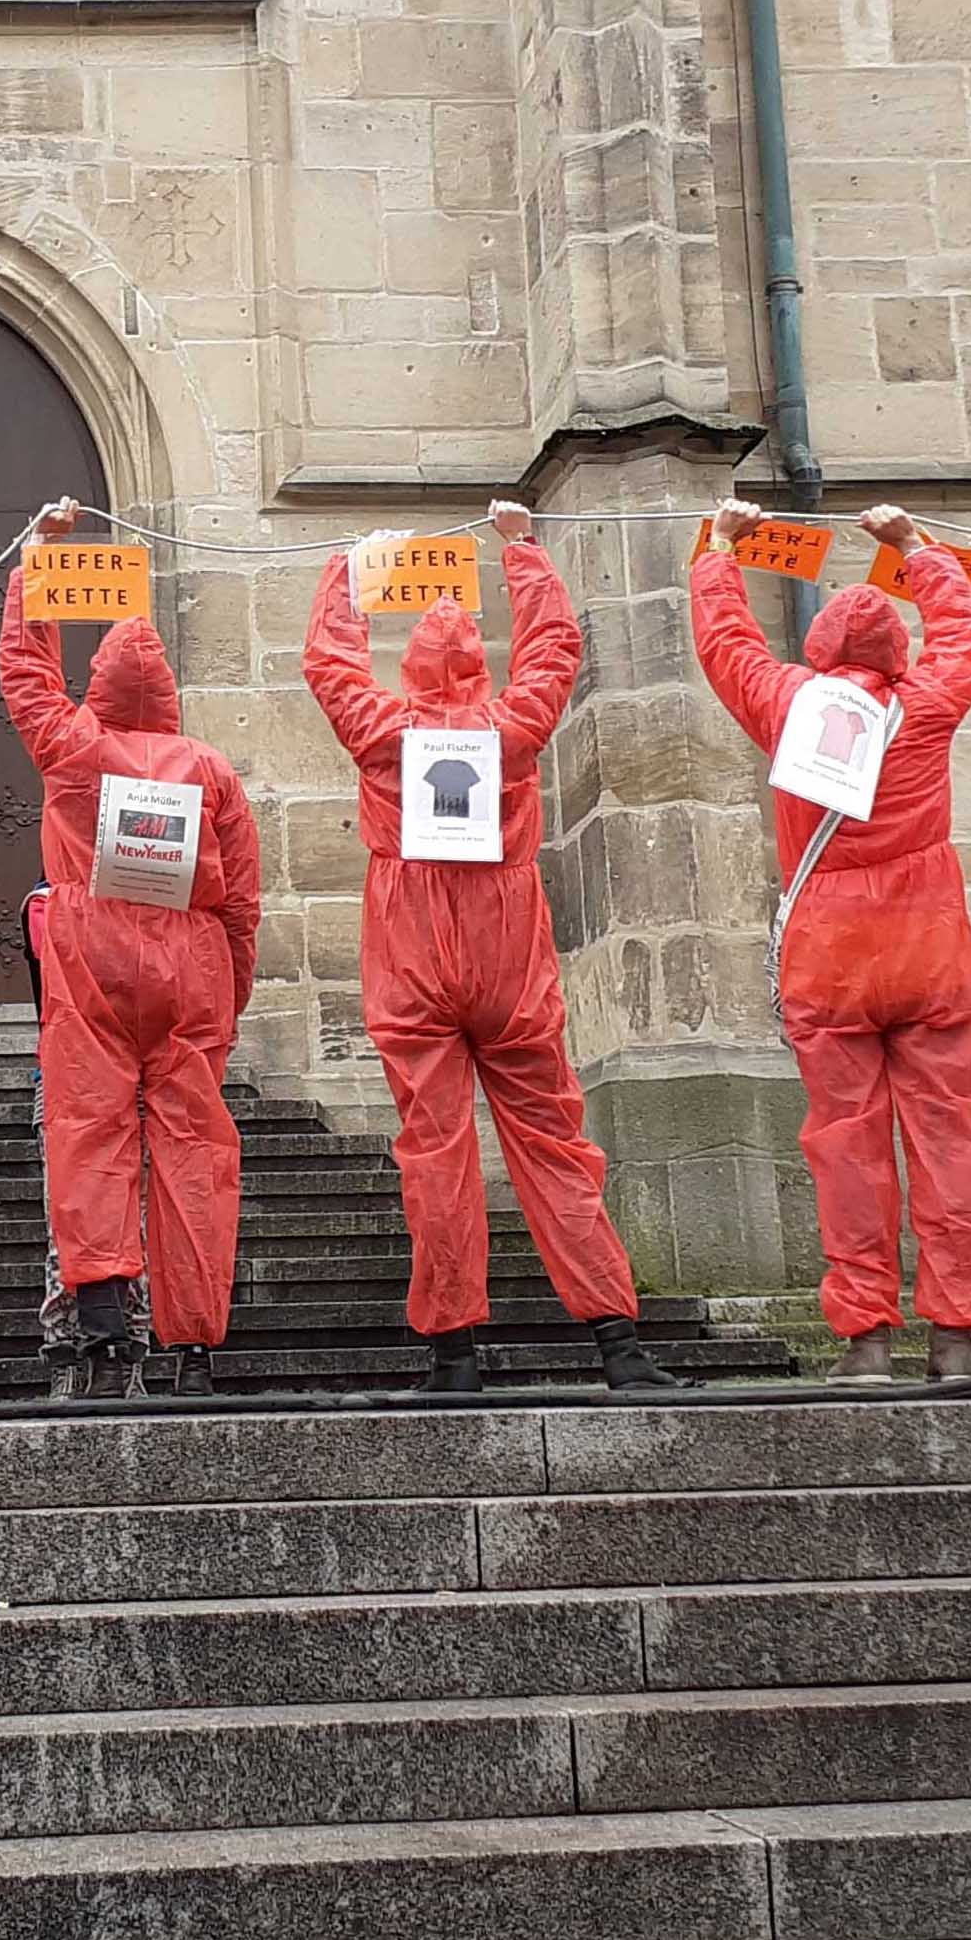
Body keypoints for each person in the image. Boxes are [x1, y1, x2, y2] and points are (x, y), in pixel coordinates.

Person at [302, 503, 676, 1395]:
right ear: (477, 665)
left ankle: (454, 1356)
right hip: (507, 946)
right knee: (553, 1140)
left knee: (435, 1150)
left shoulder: (384, 733)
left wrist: (350, 571)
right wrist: (521, 550)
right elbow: (554, 652)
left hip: (413, 945)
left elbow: (329, 664)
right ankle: (619, 1344)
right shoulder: (511, 731)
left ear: (412, 668)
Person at [691, 500, 971, 1383]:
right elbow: (965, 632)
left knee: (847, 1146)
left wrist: (719, 549)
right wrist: (912, 547)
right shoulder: (926, 704)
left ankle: (866, 1338)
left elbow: (726, 642)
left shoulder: (787, 703)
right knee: (948, 1139)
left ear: (821, 649)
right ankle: (956, 1338)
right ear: (897, 654)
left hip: (829, 950)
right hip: (928, 944)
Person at [0, 499, 262, 1398]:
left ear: (101, 685)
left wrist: (35, 561)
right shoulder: (212, 769)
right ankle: (195, 1349)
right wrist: (230, 995)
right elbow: (243, 900)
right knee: (195, 1151)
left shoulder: (74, 745)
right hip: (192, 964)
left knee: (90, 1131)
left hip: (93, 957)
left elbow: (25, 670)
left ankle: (107, 1324)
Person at [23, 884, 155, 1397]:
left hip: (133, 1078)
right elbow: (57, 946)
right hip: (68, 1079)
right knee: (67, 1225)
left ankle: (130, 1354)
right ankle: (66, 1353)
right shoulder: (44, 905)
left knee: (135, 1226)